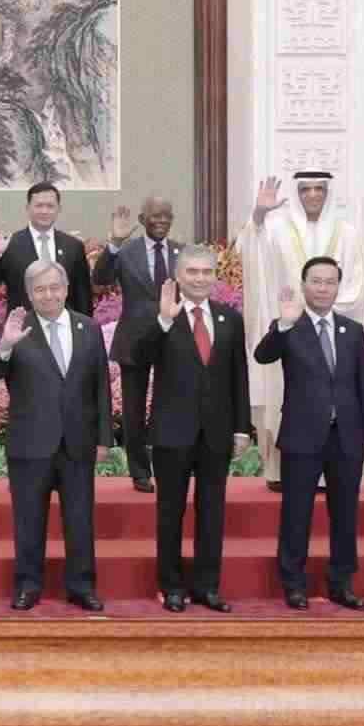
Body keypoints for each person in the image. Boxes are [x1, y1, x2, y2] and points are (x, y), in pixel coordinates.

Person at [0, 261, 109, 611]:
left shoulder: (88, 328)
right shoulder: (18, 329)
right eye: (40, 289)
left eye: (54, 287)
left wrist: (104, 439)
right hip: (30, 443)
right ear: (29, 294)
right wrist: (4, 346)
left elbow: (100, 387)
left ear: (65, 289)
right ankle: (27, 586)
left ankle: (82, 586)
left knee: (80, 521)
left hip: (77, 443)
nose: (48, 295)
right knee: (28, 521)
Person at [125, 246, 250, 612]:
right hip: (172, 431)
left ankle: (207, 587)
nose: (199, 278)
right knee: (170, 513)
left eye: (206, 272)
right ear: (178, 276)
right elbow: (137, 358)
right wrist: (164, 322)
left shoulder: (229, 319)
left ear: (215, 276)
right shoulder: (160, 314)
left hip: (216, 432)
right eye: (192, 272)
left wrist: (242, 428)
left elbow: (239, 375)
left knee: (212, 513)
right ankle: (172, 587)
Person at [252, 254, 364, 610]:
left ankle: (342, 583)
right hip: (302, 435)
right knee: (296, 513)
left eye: (330, 282)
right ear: (304, 285)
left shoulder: (352, 331)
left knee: (346, 514)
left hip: (346, 436)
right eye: (316, 281)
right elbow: (263, 355)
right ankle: (293, 584)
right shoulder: (290, 325)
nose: (323, 288)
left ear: (338, 287)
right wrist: (283, 325)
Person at [239, 171, 364, 482]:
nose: (312, 195)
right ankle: (283, 473)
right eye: (305, 189)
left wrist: (323, 309)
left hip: (331, 329)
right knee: (288, 397)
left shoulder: (347, 233)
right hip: (289, 331)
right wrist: (259, 215)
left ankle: (335, 474)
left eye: (318, 189)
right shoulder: (277, 229)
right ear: (297, 195)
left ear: (327, 193)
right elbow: (252, 251)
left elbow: (356, 283)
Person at [95, 196, 180, 492]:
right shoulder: (126, 251)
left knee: (171, 406)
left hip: (173, 339)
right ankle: (140, 472)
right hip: (134, 340)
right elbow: (100, 278)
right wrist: (115, 243)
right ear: (143, 219)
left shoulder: (183, 252)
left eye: (167, 215)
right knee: (133, 410)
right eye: (155, 215)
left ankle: (169, 465)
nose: (162, 220)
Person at [0, 181, 95, 317]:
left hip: (65, 326)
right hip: (24, 325)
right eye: (39, 206)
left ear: (59, 209)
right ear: (28, 208)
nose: (44, 211)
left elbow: (83, 297)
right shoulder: (10, 244)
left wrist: (84, 328)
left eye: (50, 206)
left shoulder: (73, 246)